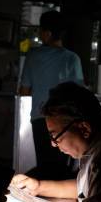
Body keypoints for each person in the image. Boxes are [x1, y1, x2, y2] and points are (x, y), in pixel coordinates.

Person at [19, 11, 84, 180]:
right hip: (64, 121)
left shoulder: (33, 56)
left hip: (40, 119)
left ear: (47, 34)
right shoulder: (73, 59)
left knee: (44, 164)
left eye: (41, 31)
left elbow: (24, 91)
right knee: (62, 166)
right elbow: (79, 92)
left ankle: (42, 200)